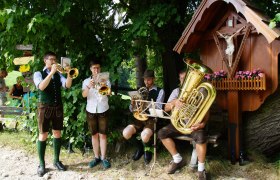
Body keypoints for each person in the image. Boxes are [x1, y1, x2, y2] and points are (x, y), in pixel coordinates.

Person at [158, 70, 209, 180]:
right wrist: (174, 102)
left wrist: (203, 124)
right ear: (180, 80)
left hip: (194, 125)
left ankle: (201, 169)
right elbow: (165, 108)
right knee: (162, 133)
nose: (184, 81)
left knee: (200, 137)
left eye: (186, 78)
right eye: (181, 79)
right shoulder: (176, 91)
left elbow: (206, 111)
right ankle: (177, 159)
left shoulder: (201, 91)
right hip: (179, 124)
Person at [33, 51, 73, 177]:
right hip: (44, 107)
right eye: (51, 59)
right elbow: (41, 87)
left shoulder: (58, 74)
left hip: (57, 107)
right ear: (45, 60)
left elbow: (67, 85)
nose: (54, 62)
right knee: (43, 134)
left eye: (55, 59)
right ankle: (41, 163)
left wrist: (69, 74)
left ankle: (56, 161)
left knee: (57, 132)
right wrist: (51, 73)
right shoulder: (38, 73)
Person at [123, 69, 165, 164]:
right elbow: (131, 109)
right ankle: (140, 148)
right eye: (145, 79)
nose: (146, 82)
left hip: (151, 119)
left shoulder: (160, 91)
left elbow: (158, 107)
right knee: (126, 133)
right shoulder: (139, 90)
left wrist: (145, 103)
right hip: (139, 118)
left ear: (153, 79)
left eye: (149, 79)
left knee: (144, 135)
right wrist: (132, 104)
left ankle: (147, 149)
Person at [82, 58, 111, 169]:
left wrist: (103, 84)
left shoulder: (106, 80)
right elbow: (84, 95)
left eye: (98, 68)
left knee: (103, 134)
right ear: (90, 69)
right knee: (94, 134)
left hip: (103, 109)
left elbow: (108, 93)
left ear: (100, 68)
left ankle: (103, 158)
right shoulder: (85, 81)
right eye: (94, 68)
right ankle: (96, 157)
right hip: (91, 110)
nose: (96, 70)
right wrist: (89, 86)